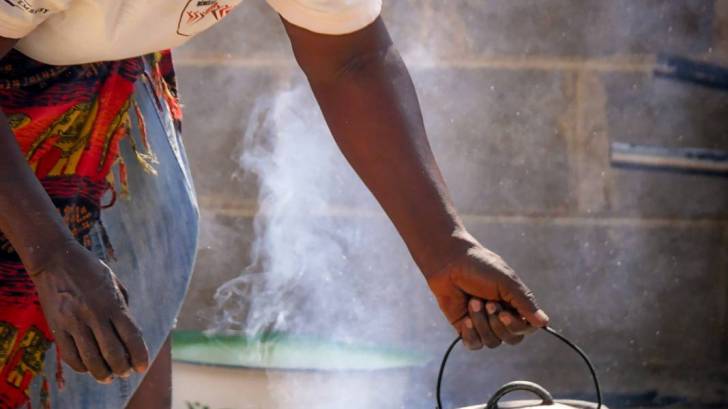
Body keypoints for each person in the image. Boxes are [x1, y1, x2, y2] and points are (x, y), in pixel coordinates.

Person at [0, 0, 550, 407]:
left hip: (102, 74)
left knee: (136, 291)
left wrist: (444, 246)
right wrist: (51, 255)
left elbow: (352, 60)